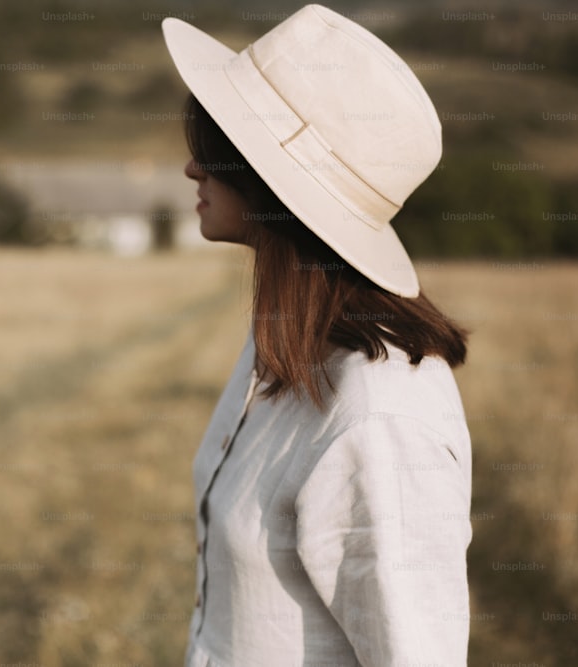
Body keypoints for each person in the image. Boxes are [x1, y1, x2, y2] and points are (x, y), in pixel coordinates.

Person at [162, 5, 473, 666]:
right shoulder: (284, 345)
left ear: (270, 182)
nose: (193, 168)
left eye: (215, 147)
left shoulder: (379, 418)